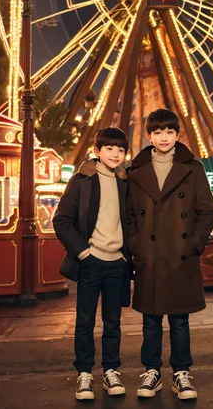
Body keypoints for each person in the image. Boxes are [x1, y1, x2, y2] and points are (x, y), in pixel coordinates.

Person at [127, 109, 213, 400]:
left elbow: (206, 211)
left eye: (169, 132)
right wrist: (136, 244)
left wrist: (193, 245)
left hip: (180, 255)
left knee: (179, 320)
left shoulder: (194, 169)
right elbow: (128, 215)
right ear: (149, 135)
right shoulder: (134, 172)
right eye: (157, 132)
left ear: (178, 135)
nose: (163, 137)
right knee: (150, 321)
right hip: (149, 256)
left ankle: (181, 373)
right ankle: (151, 371)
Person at [53, 127, 132, 401]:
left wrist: (126, 254)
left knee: (113, 322)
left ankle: (111, 371)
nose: (116, 154)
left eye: (121, 150)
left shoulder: (126, 182)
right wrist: (84, 253)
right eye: (109, 148)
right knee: (85, 321)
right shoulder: (81, 181)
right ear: (97, 151)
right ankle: (84, 373)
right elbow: (61, 220)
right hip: (91, 262)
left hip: (118, 263)